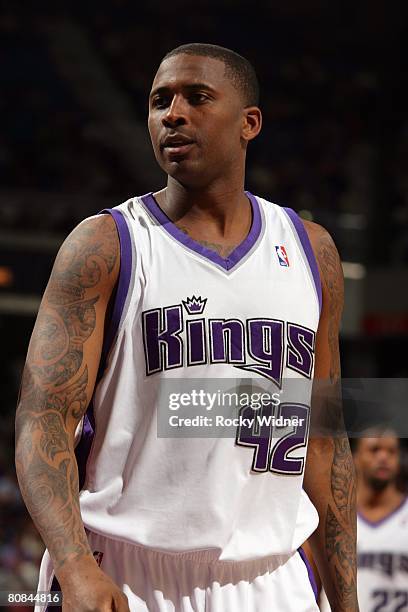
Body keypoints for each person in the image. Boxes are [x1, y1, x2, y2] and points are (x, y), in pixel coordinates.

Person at [15, 43, 358, 611]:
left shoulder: (310, 250)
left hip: (273, 578)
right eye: (159, 101)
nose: (173, 113)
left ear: (250, 123)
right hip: (125, 572)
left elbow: (324, 441)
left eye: (197, 98)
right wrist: (74, 565)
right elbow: (43, 417)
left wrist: (347, 602)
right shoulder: (108, 244)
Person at [354, 431, 408, 611]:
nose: (383, 457)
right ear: (355, 457)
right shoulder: (334, 518)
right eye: (374, 450)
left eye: (391, 452)